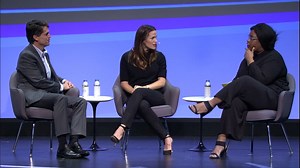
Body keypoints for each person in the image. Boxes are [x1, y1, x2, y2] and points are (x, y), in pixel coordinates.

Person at [188, 23, 289, 159]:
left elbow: (262, 80)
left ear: (262, 41)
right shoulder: (248, 57)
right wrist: (233, 85)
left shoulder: (274, 57)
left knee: (245, 80)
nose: (247, 40)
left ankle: (209, 105)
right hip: (254, 99)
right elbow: (238, 80)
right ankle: (221, 143)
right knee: (234, 101)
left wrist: (250, 61)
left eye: (251, 38)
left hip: (273, 99)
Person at [16, 20, 89, 159]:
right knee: (60, 98)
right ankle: (62, 147)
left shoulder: (44, 53)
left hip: (45, 93)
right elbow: (37, 81)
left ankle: (74, 143)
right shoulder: (26, 55)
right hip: (33, 95)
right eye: (47, 34)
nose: (50, 36)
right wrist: (61, 87)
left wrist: (62, 81)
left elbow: (50, 75)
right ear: (36, 37)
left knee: (80, 102)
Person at [110, 25, 173, 155]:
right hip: (136, 97)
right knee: (142, 104)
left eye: (156, 38)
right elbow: (124, 83)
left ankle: (122, 127)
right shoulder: (126, 57)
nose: (156, 41)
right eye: (153, 38)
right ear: (142, 40)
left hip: (156, 96)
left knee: (140, 94)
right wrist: (136, 93)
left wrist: (143, 89)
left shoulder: (160, 57)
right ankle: (167, 138)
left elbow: (162, 82)